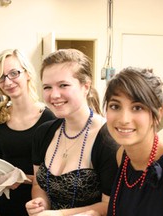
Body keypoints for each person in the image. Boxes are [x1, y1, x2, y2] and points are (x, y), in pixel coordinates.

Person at [25, 49, 119, 216]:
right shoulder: (43, 133)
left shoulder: (108, 140)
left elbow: (110, 205)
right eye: (47, 87)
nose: (54, 95)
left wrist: (60, 215)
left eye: (63, 85)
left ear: (86, 87)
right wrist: (41, 203)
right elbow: (38, 185)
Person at [0, 49, 56, 216]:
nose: (8, 82)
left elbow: (58, 177)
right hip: (9, 203)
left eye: (14, 73)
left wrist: (22, 179)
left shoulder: (49, 119)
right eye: (1, 77)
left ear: (27, 74)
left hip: (43, 205)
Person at [103, 67, 163, 215]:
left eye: (137, 107)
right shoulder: (122, 154)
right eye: (115, 106)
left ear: (158, 114)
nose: (124, 119)